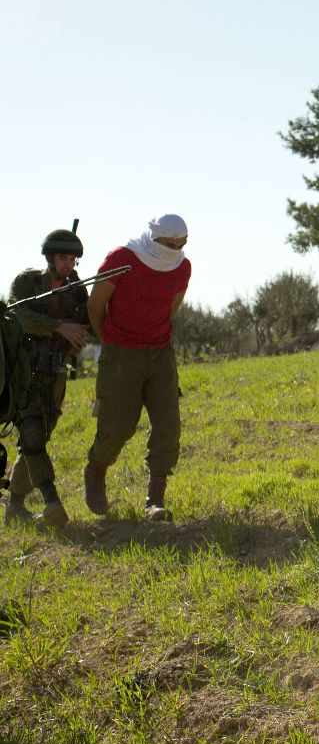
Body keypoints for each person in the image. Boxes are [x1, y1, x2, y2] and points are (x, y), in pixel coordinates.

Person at [83, 215, 192, 522]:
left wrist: (152, 339)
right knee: (117, 426)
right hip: (121, 356)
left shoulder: (182, 267)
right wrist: (112, 342)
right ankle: (95, 471)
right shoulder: (122, 259)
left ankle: (154, 500)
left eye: (181, 244)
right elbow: (95, 306)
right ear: (154, 237)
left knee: (168, 427)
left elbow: (170, 308)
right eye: (170, 244)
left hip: (160, 353)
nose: (175, 249)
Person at [5, 228, 92, 527]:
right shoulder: (26, 282)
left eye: (73, 259)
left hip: (55, 377)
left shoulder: (77, 289)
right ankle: (51, 501)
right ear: (50, 258)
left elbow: (88, 321)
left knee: (35, 441)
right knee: (30, 433)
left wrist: (80, 330)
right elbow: (16, 317)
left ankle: (14, 507)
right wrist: (57, 326)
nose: (68, 264)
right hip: (24, 375)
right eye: (63, 257)